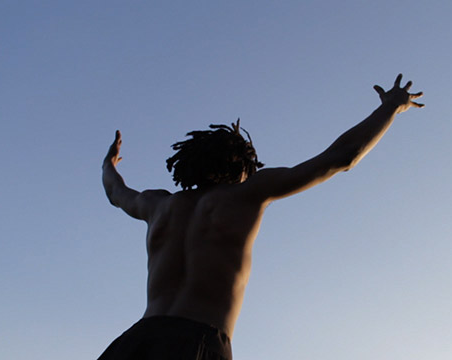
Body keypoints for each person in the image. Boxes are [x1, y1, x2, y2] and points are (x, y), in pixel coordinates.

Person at [98, 74, 424, 359]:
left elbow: (116, 193)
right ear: (241, 166)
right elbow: (341, 157)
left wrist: (108, 164)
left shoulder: (158, 206)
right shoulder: (248, 194)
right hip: (197, 340)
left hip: (137, 341)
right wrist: (391, 107)